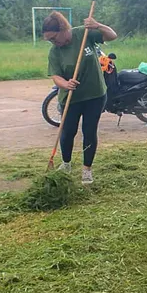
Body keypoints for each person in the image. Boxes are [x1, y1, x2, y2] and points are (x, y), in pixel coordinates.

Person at [43, 11, 117, 184]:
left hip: (95, 95)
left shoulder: (84, 34)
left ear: (62, 29)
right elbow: (55, 75)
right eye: (49, 40)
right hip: (71, 98)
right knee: (68, 132)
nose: (53, 42)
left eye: (54, 38)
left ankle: (86, 170)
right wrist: (65, 84)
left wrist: (97, 25)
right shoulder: (55, 51)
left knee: (89, 132)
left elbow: (112, 35)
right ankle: (66, 164)